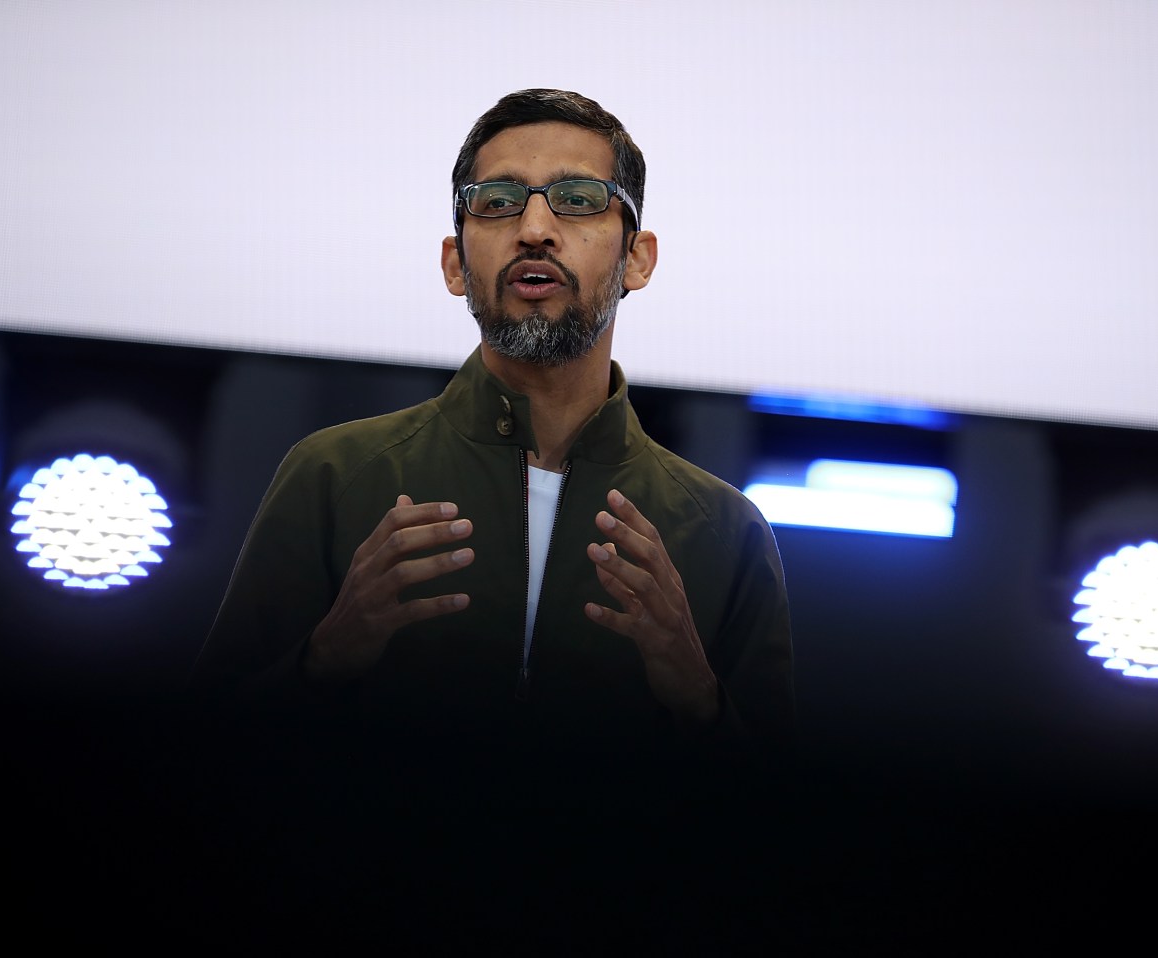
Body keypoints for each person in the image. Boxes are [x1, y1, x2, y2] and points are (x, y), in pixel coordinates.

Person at [178, 90, 798, 945]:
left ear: (639, 259)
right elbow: (189, 780)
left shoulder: (723, 532)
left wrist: (697, 699)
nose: (534, 228)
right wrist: (327, 656)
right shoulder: (336, 475)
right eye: (497, 202)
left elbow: (790, 859)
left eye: (578, 200)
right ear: (453, 262)